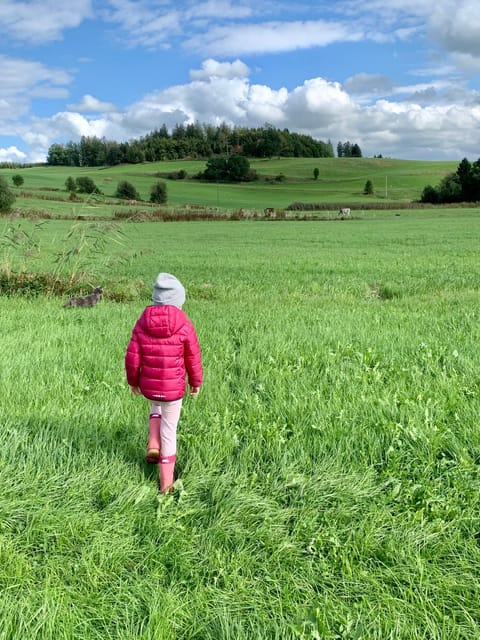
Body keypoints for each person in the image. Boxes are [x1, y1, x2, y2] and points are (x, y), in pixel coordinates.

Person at [125, 273, 203, 493]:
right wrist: (195, 382)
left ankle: (152, 444)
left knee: (155, 406)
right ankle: (166, 485)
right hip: (174, 390)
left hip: (150, 387)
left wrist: (133, 381)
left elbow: (132, 355)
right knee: (169, 431)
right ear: (179, 300)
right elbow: (193, 357)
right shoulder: (184, 323)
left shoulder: (143, 321)